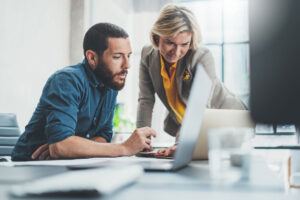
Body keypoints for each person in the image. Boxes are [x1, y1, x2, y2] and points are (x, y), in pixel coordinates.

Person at [12, 23, 156, 161]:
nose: (127, 65)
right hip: (28, 165)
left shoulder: (109, 84)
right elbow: (61, 146)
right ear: (92, 57)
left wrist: (72, 148)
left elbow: (103, 136)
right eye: (117, 57)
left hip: (67, 165)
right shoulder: (67, 80)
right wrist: (124, 148)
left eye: (128, 56)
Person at [136, 5, 246, 157]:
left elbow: (199, 108)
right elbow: (145, 100)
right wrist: (142, 142)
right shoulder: (147, 56)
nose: (176, 52)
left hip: (228, 121)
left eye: (184, 44)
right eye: (170, 42)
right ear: (156, 36)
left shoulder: (201, 57)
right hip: (190, 127)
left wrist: (181, 143)